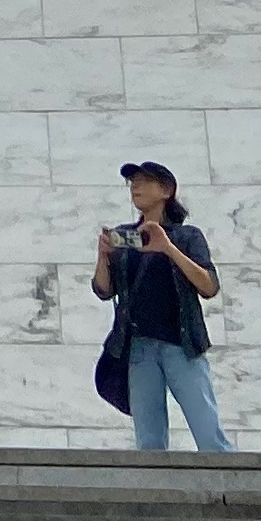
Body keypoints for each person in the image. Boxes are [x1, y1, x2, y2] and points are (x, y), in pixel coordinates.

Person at [90, 159, 227, 454]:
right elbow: (103, 289)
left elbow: (209, 286)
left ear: (166, 190)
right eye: (132, 182)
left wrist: (168, 248)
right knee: (149, 442)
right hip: (139, 347)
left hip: (182, 344)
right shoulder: (125, 236)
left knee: (208, 431)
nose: (135, 187)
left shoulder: (187, 236)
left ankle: (230, 490)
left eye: (144, 180)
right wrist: (103, 256)